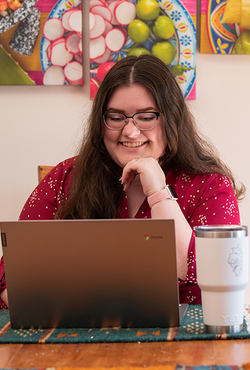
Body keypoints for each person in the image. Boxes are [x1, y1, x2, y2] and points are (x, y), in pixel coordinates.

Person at [0, 54, 245, 309]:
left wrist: (160, 193)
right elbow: (11, 282)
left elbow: (217, 278)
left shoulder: (211, 186)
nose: (130, 131)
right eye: (116, 118)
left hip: (184, 345)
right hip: (77, 340)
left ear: (172, 119)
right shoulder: (64, 178)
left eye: (147, 117)